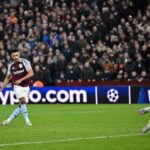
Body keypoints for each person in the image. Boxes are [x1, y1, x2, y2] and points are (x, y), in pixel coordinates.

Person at [0, 49, 34, 126]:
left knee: (21, 106)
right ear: (11, 56)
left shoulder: (25, 62)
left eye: (17, 55)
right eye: (14, 56)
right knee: (22, 101)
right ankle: (27, 121)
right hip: (17, 86)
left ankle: (7, 121)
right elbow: (8, 78)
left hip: (26, 86)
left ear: (19, 55)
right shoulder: (11, 66)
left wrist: (21, 79)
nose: (15, 57)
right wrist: (2, 87)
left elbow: (31, 73)